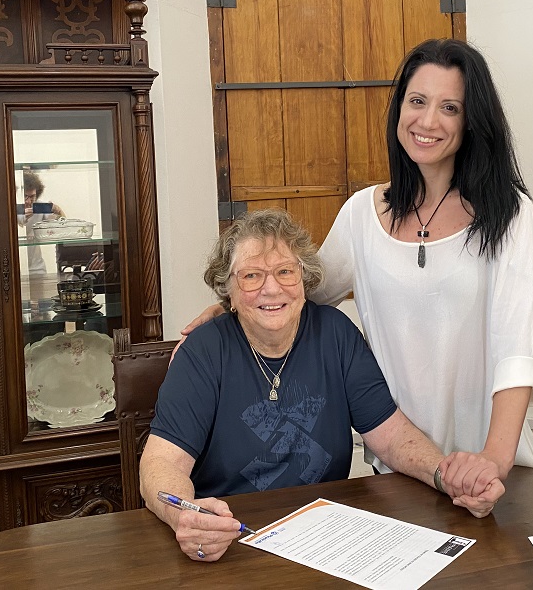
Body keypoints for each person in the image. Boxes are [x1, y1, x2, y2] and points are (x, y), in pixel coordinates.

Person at [181, 38, 533, 501]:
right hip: (400, 466)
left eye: (450, 107)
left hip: (487, 466)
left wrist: (492, 460)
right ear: (399, 109)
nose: (428, 121)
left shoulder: (511, 214)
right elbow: (297, 295)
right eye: (417, 101)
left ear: (472, 121)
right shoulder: (360, 214)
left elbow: (517, 352)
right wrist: (227, 309)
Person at [143, 208, 505, 562]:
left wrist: (447, 476)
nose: (272, 288)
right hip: (231, 540)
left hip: (325, 537)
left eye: (285, 271)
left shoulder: (335, 333)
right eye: (252, 276)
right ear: (229, 292)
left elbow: (392, 437)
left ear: (304, 280)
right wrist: (186, 516)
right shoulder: (203, 352)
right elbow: (161, 463)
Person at [17, 170, 64, 274]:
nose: (28, 201)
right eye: (25, 196)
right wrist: (24, 216)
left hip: (37, 267)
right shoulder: (9, 207)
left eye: (32, 196)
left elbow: (60, 224)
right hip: (15, 267)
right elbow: (20, 223)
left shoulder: (38, 206)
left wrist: (58, 211)